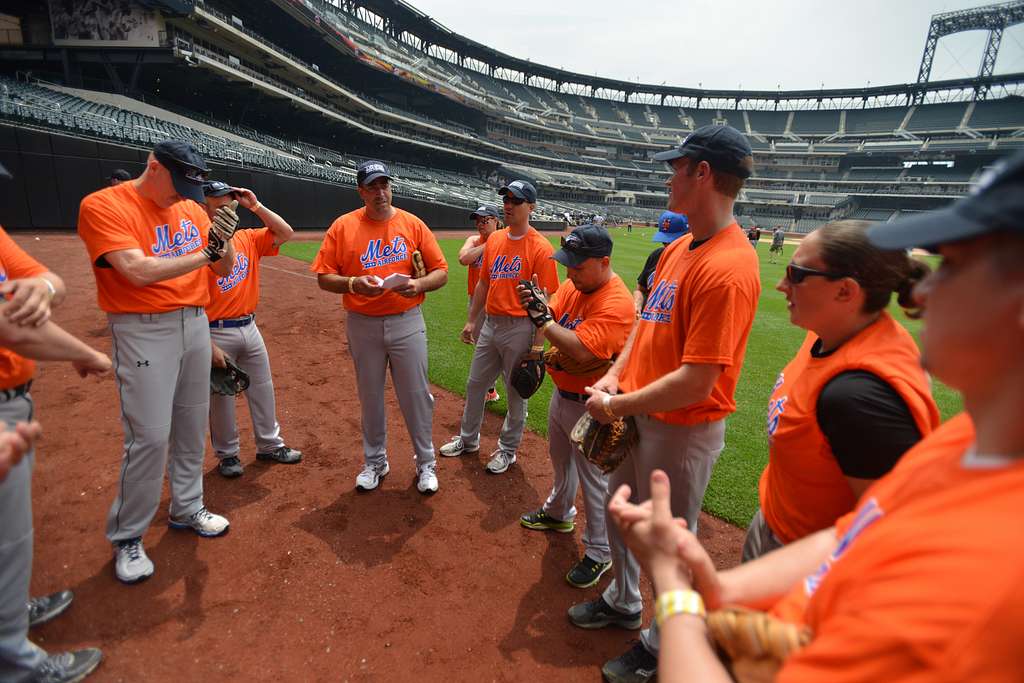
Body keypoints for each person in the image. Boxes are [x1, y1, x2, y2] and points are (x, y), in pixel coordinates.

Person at [605, 147, 1024, 683]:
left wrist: (673, 587)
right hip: (786, 551)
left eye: (957, 266)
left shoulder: (863, 399)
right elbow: (863, 526)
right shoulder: (974, 436)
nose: (923, 289)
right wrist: (721, 587)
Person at [568, 125, 760, 683]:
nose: (668, 175)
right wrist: (613, 376)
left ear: (703, 173)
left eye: (676, 166)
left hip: (682, 426)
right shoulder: (678, 246)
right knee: (621, 515)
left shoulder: (728, 266)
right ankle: (625, 600)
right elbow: (644, 331)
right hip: (637, 409)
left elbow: (698, 381)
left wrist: (620, 406)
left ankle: (664, 643)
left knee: (672, 543)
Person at [77, 140, 238, 585]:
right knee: (148, 436)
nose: (186, 193)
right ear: (153, 166)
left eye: (193, 185)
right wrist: (205, 253)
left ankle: (188, 507)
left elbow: (222, 271)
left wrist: (221, 242)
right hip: (142, 327)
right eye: (180, 181)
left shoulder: (190, 208)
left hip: (194, 322)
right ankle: (128, 535)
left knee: (190, 423)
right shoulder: (105, 205)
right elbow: (136, 270)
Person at [745, 220, 940, 561]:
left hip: (802, 561)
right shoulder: (831, 333)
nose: (780, 285)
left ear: (845, 291)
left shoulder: (860, 397)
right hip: (780, 527)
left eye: (796, 274)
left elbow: (886, 531)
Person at [1, 168, 112, 681]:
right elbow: (11, 328)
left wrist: (43, 287)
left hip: (15, 400)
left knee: (13, 532)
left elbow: (51, 281)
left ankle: (9, 610)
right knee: (8, 535)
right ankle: (17, 661)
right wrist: (87, 353)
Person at [312, 160, 448, 493]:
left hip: (407, 320)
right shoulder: (343, 226)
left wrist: (418, 286)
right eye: (372, 186)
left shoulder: (412, 224)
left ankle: (426, 463)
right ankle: (375, 462)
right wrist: (355, 284)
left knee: (416, 396)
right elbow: (324, 278)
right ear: (361, 191)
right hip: (363, 324)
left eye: (384, 185)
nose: (380, 192)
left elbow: (441, 271)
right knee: (370, 396)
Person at [516, 225, 635, 588]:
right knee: (560, 462)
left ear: (604, 262)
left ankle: (600, 553)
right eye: (568, 265)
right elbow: (552, 312)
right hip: (562, 395)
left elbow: (581, 349)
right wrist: (540, 311)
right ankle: (557, 512)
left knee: (595, 482)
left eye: (578, 266)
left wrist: (544, 322)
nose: (570, 274)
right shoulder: (574, 285)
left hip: (594, 408)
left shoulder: (616, 302)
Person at [439, 180, 559, 474]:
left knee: (517, 392)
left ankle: (508, 450)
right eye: (506, 200)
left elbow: (549, 299)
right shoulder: (495, 240)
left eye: (515, 201)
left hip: (521, 327)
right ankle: (468, 440)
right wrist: (471, 319)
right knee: (475, 384)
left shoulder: (541, 248)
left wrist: (537, 345)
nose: (508, 205)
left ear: (530, 207)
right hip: (491, 324)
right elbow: (483, 283)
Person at [202, 180, 302, 478]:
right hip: (215, 331)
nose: (227, 206)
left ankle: (270, 445)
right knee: (222, 397)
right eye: (218, 201)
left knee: (263, 388)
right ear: (203, 206)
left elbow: (285, 233)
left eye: (230, 200)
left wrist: (255, 206)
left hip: (249, 326)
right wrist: (205, 342)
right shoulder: (198, 245)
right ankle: (228, 455)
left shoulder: (247, 237)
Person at [458, 204, 502, 403]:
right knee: (481, 349)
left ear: (496, 221)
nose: (480, 224)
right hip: (476, 303)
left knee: (502, 350)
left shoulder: (507, 242)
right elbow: (464, 258)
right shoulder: (474, 240)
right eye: (478, 220)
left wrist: (496, 241)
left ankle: (514, 400)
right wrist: (489, 243)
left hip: (498, 303)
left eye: (485, 220)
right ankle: (490, 390)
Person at [633, 211, 688, 317]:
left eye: (672, 241)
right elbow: (640, 290)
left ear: (688, 234)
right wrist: (637, 304)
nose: (667, 246)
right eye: (664, 242)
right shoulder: (656, 255)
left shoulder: (696, 263)